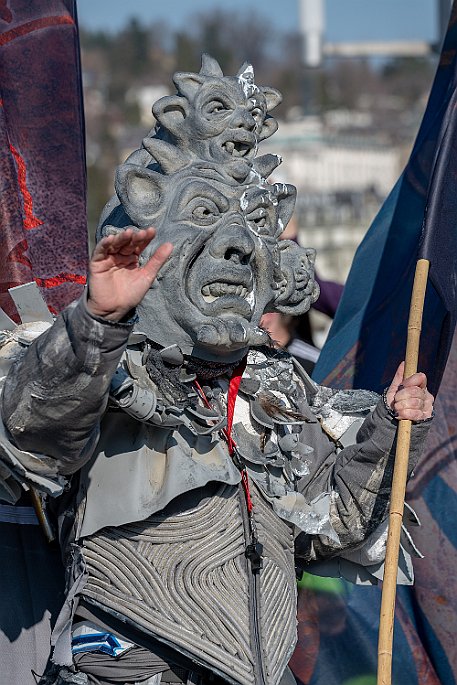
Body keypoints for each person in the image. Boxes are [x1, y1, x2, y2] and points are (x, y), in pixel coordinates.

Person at [0, 56, 433, 685]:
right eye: (205, 214)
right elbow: (33, 437)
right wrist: (98, 320)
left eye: (254, 225)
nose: (237, 245)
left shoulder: (274, 395)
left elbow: (331, 522)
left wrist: (388, 431)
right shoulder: (108, 373)